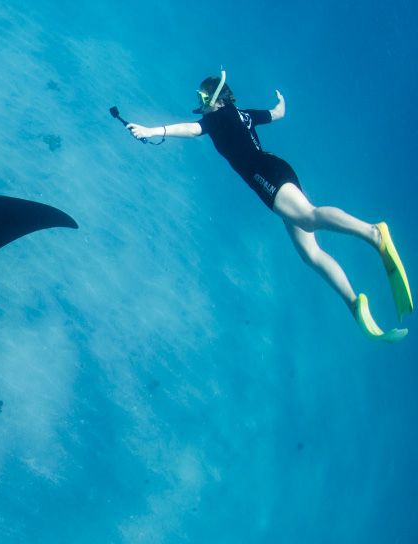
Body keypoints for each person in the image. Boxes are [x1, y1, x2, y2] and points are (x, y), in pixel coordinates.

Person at [125, 72, 413, 342]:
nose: (201, 105)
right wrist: (280, 104)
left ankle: (373, 233)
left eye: (203, 99)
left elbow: (190, 129)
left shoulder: (218, 117)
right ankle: (354, 304)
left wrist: (153, 130)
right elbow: (277, 114)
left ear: (217, 99)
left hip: (267, 175)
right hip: (275, 170)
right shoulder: (243, 114)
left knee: (309, 218)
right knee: (310, 253)